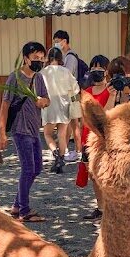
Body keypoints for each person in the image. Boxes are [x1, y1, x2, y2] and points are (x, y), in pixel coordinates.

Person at [0, 42, 50, 222]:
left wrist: (43, 101)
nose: (39, 61)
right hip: (20, 129)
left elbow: (47, 99)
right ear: (26, 58)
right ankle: (24, 211)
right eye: (35, 58)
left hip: (35, 129)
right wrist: (2, 133)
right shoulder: (15, 78)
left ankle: (17, 205)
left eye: (42, 58)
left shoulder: (39, 78)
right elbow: (5, 106)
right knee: (28, 168)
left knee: (37, 168)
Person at [79, 55, 111, 224]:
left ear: (106, 71)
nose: (97, 72)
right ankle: (100, 207)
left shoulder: (110, 91)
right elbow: (83, 115)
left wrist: (112, 96)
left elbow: (105, 116)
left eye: (100, 69)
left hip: (103, 139)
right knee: (92, 175)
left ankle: (108, 209)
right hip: (87, 136)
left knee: (104, 175)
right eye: (94, 68)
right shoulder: (88, 92)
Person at [41, 47, 81, 174]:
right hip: (64, 105)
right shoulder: (66, 72)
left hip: (49, 106)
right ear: (60, 58)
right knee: (62, 135)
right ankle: (61, 159)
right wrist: (75, 102)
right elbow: (75, 89)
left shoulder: (43, 72)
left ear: (48, 58)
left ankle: (55, 153)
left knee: (47, 134)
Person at [52, 30, 85, 162]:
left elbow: (68, 75)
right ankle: (65, 151)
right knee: (70, 124)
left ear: (64, 41)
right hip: (71, 94)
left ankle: (77, 151)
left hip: (72, 94)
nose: (56, 44)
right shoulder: (67, 56)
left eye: (57, 42)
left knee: (73, 123)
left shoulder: (70, 57)